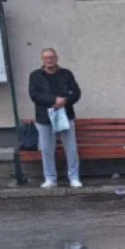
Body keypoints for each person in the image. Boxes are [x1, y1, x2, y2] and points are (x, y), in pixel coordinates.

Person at [29, 48, 83, 189]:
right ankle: (50, 179)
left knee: (71, 149)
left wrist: (65, 101)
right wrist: (53, 100)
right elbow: (34, 95)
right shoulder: (35, 76)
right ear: (42, 59)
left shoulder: (66, 74)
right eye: (46, 57)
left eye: (52, 57)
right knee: (47, 150)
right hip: (44, 118)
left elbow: (76, 92)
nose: (49, 60)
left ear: (57, 58)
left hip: (65, 114)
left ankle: (74, 178)